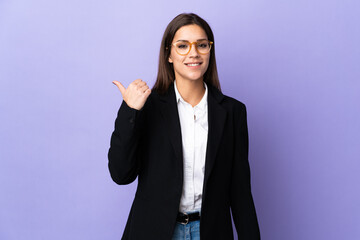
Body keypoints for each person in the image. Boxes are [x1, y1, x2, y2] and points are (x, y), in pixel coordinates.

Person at [108, 13, 260, 240]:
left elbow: (240, 192)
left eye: (201, 45)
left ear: (210, 51)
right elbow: (121, 174)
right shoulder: (147, 107)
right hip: (155, 231)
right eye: (182, 46)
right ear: (168, 54)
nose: (193, 53)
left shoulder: (233, 112)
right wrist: (130, 111)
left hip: (210, 231)